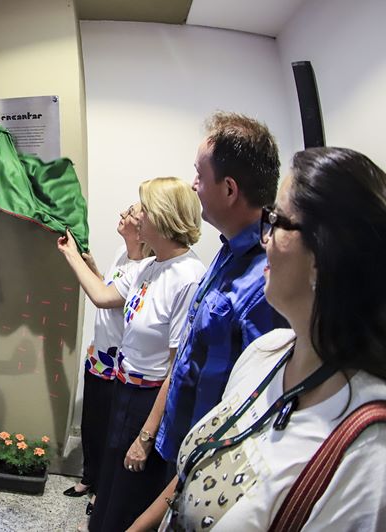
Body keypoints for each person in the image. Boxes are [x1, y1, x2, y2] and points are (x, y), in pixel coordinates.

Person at [160, 147, 386, 530]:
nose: (264, 240)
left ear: (322, 253)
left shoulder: (368, 456)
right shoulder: (266, 353)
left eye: (277, 221)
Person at [129, 112, 286, 530]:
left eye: (200, 175)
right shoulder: (226, 253)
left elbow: (248, 413)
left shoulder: (265, 282)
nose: (194, 185)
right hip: (181, 446)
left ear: (229, 189)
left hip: (208, 466)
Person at [58, 177, 205, 532]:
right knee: (113, 475)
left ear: (165, 219)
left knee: (132, 485)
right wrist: (69, 253)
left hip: (149, 401)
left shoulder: (187, 276)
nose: (137, 218)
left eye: (145, 211)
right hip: (125, 388)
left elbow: (178, 368)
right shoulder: (151, 266)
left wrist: (145, 437)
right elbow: (104, 295)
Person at [61, 203, 150, 510]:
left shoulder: (146, 268)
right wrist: (94, 267)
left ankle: (102, 490)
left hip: (120, 361)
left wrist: (73, 257)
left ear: (141, 230)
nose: (122, 215)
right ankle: (90, 476)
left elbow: (103, 298)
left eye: (129, 214)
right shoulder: (122, 255)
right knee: (93, 423)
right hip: (100, 354)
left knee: (113, 430)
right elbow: (110, 289)